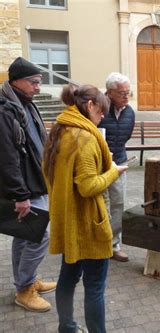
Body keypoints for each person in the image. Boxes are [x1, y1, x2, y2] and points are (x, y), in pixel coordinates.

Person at [43, 84, 128, 332]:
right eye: (101, 112)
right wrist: (113, 171)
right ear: (90, 106)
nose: (102, 117)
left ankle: (67, 326)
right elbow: (89, 186)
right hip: (88, 224)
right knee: (94, 286)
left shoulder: (60, 130)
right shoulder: (85, 137)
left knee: (68, 278)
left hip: (68, 219)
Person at [0, 57, 56, 312]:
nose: (38, 88)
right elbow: (7, 158)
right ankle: (24, 289)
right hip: (25, 187)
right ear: (15, 81)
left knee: (25, 236)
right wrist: (19, 195)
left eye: (39, 82)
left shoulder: (25, 103)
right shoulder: (4, 110)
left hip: (35, 180)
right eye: (33, 82)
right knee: (40, 235)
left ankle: (28, 280)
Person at [98, 72, 135, 262]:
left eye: (129, 92)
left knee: (118, 204)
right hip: (97, 166)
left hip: (119, 163)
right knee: (97, 205)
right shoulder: (97, 108)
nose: (127, 96)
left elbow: (126, 136)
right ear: (110, 93)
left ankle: (114, 244)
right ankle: (95, 242)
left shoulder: (129, 112)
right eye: (122, 93)